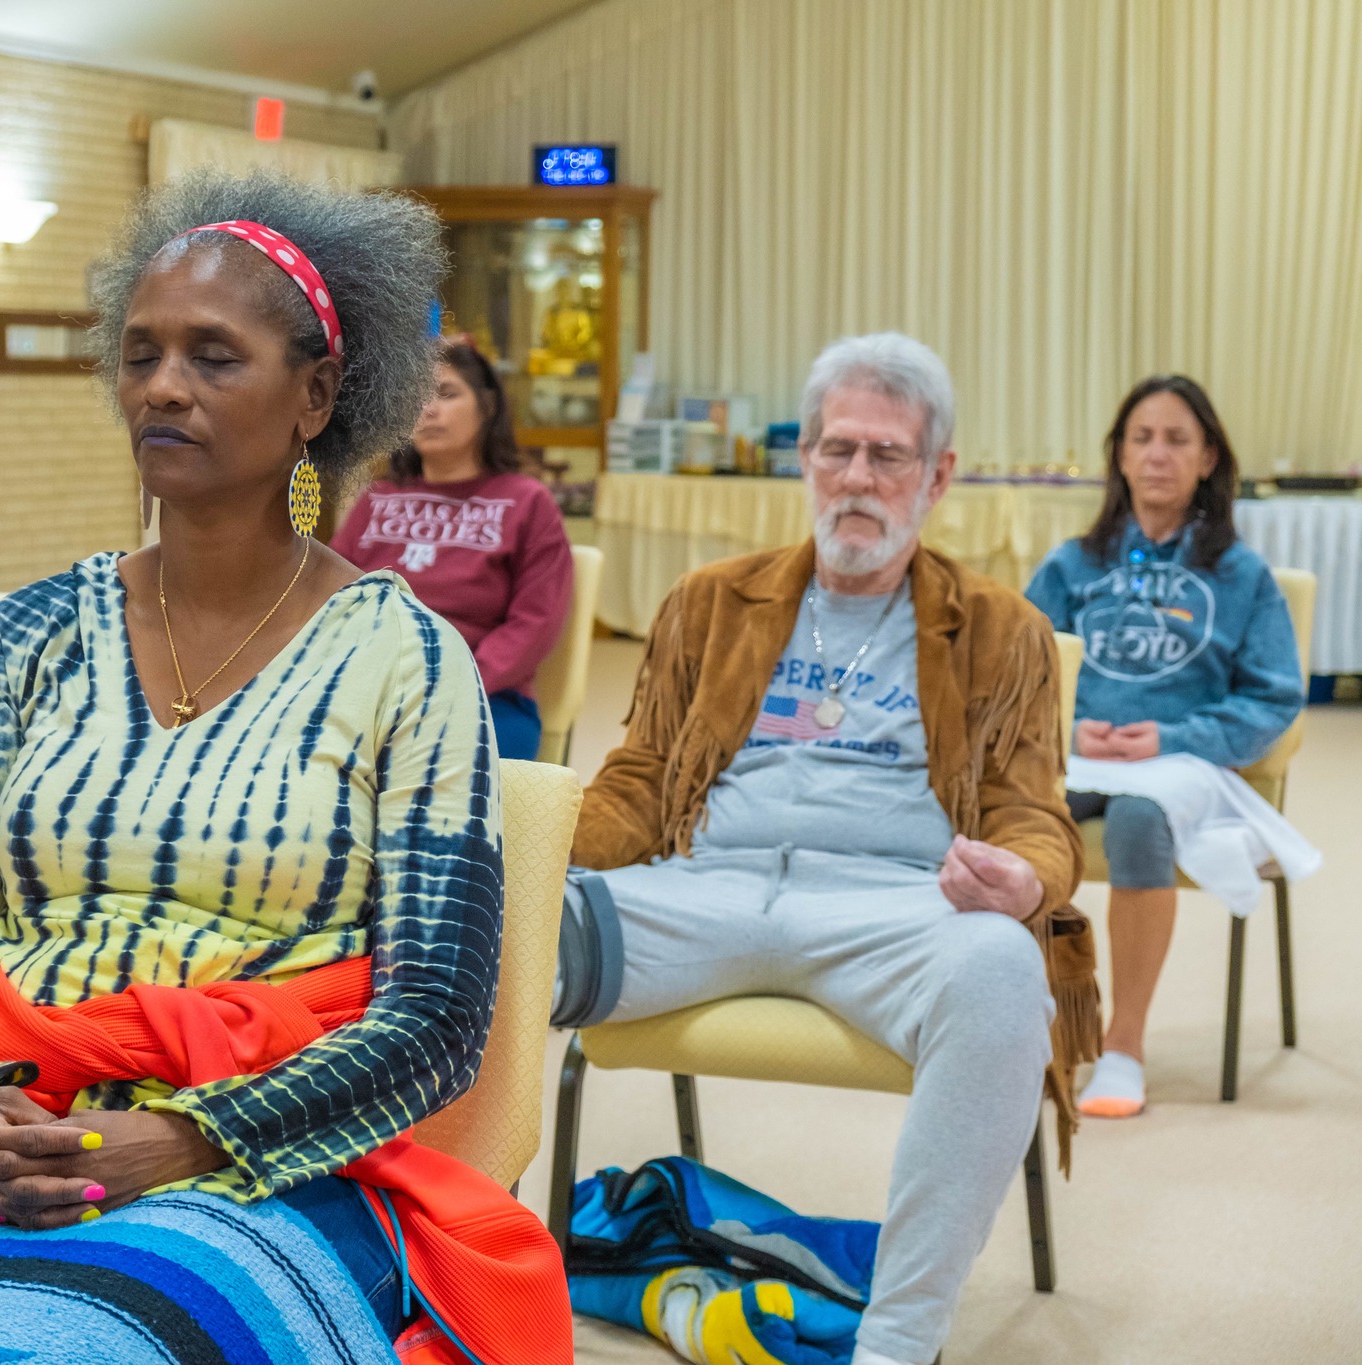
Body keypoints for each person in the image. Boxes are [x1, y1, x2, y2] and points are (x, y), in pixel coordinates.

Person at [0, 171, 571, 1365]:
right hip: (9, 1118)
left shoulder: (405, 656)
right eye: (139, 355)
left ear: (317, 396)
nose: (163, 386)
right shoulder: (28, 635)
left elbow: (436, 1018)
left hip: (275, 1153)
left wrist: (189, 1136)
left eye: (212, 356)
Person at [552, 333, 1094, 1365]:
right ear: (801, 457)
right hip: (702, 889)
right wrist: (535, 858)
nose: (855, 478)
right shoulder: (711, 601)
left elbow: (1032, 809)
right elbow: (638, 778)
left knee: (999, 970)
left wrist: (1024, 874)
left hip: (892, 910)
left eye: (886, 456)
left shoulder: (998, 628)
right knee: (477, 933)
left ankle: (893, 1344)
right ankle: (438, 1264)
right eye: (835, 449)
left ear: (935, 476)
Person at [1025, 375, 1302, 1118]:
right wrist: (1067, 724)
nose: (1157, 455)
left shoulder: (1242, 575)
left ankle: (1123, 1043)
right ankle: (1028, 1025)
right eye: (1141, 438)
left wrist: (1172, 736)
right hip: (1078, 752)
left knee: (1138, 821)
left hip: (1182, 764)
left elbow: (1275, 695)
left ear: (1209, 457)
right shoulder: (1071, 564)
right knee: (1014, 818)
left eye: (1177, 439)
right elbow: (1017, 669)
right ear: (1117, 455)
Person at [331, 338, 575, 760]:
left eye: (446, 393)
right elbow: (329, 598)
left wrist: (454, 681)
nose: (428, 409)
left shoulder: (527, 501)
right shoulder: (375, 499)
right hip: (370, 688)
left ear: (488, 405)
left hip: (483, 695)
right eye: (416, 397)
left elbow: (535, 622)